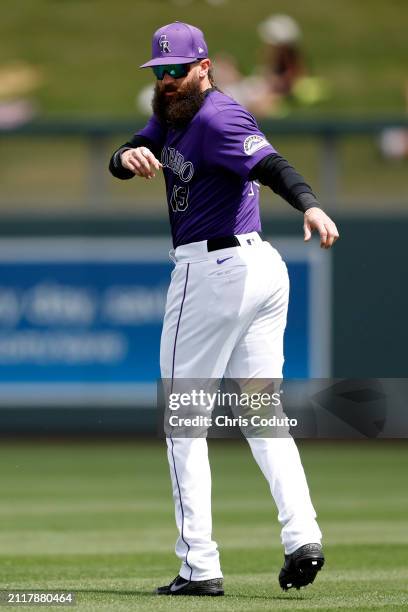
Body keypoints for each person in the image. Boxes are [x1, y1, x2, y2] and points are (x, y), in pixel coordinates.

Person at [109, 21, 339, 597]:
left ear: (204, 68)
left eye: (177, 70)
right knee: (263, 416)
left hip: (214, 272)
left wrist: (309, 205)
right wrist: (127, 155)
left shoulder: (216, 116)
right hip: (255, 271)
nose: (166, 80)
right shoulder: (171, 115)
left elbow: (272, 165)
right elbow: (127, 149)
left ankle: (199, 566)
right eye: (159, 71)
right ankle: (303, 537)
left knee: (183, 422)